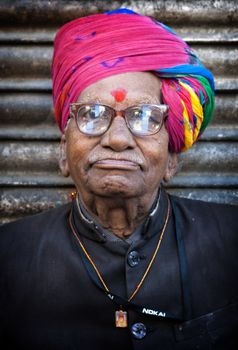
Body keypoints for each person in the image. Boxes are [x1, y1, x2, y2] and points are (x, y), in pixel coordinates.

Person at [0, 8, 237, 350]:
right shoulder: (9, 257)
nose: (118, 139)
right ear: (64, 152)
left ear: (171, 157)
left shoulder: (231, 242)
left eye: (143, 116)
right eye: (92, 114)